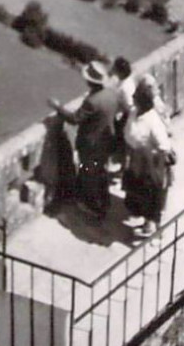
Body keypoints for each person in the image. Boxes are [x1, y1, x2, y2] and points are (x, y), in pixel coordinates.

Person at [50, 59, 120, 217]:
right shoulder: (111, 94)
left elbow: (75, 119)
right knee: (100, 172)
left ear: (90, 81)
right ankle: (104, 201)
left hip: (91, 145)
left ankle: (94, 207)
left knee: (89, 174)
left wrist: (57, 107)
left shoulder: (92, 101)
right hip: (106, 141)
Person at [122, 76, 176, 239]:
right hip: (136, 158)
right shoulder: (133, 112)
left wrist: (149, 155)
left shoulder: (153, 121)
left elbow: (164, 146)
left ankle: (154, 228)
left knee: (153, 193)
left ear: (143, 102)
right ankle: (146, 220)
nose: (133, 99)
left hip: (151, 163)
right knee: (140, 191)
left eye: (136, 98)